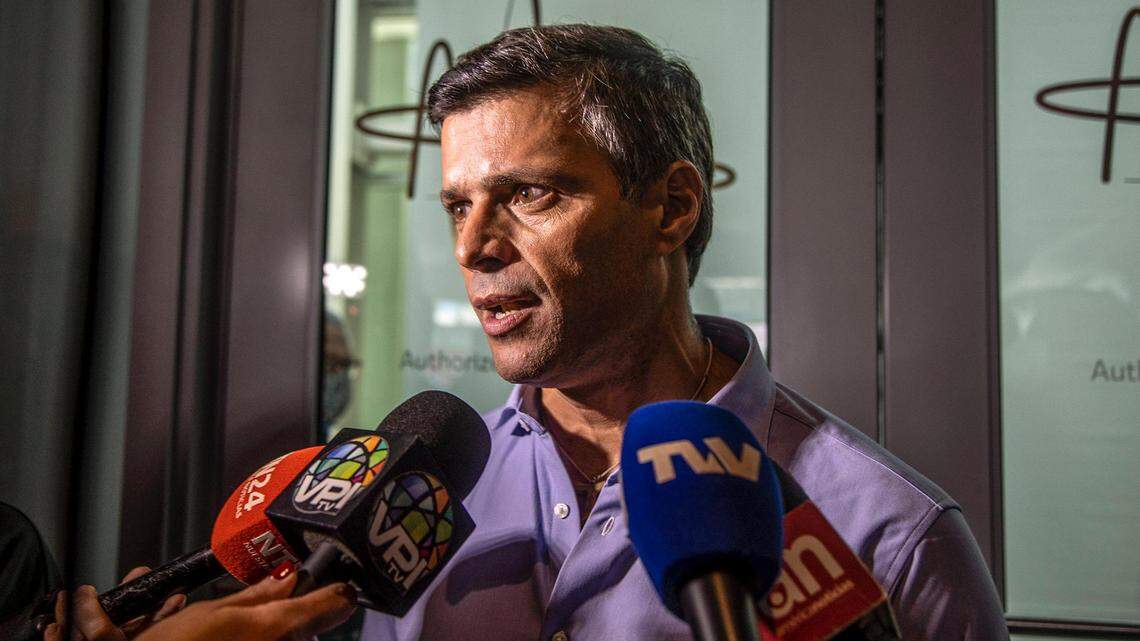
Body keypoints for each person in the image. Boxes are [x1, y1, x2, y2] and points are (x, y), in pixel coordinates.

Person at [358, 24, 1008, 641]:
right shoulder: (416, 498)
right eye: (457, 207)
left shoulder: (887, 536)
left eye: (529, 194)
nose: (471, 247)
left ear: (671, 208)